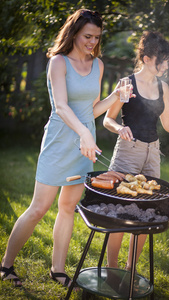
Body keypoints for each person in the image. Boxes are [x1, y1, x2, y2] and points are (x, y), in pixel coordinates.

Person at [0, 9, 130, 288]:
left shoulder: (98, 65)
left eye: (96, 37)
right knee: (38, 208)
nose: (92, 42)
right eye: (87, 36)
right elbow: (61, 106)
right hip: (61, 139)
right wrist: (84, 132)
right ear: (74, 32)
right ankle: (5, 264)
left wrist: (115, 96)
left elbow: (91, 109)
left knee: (68, 207)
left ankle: (58, 270)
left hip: (85, 144)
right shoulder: (58, 62)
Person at [103, 31, 169, 270]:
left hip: (153, 153)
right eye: (162, 59)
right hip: (128, 151)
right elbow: (107, 119)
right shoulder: (126, 84)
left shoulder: (163, 87)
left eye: (167, 60)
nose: (166, 65)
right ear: (146, 58)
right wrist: (120, 128)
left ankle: (130, 270)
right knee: (118, 210)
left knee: (148, 212)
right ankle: (112, 270)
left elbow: (168, 124)